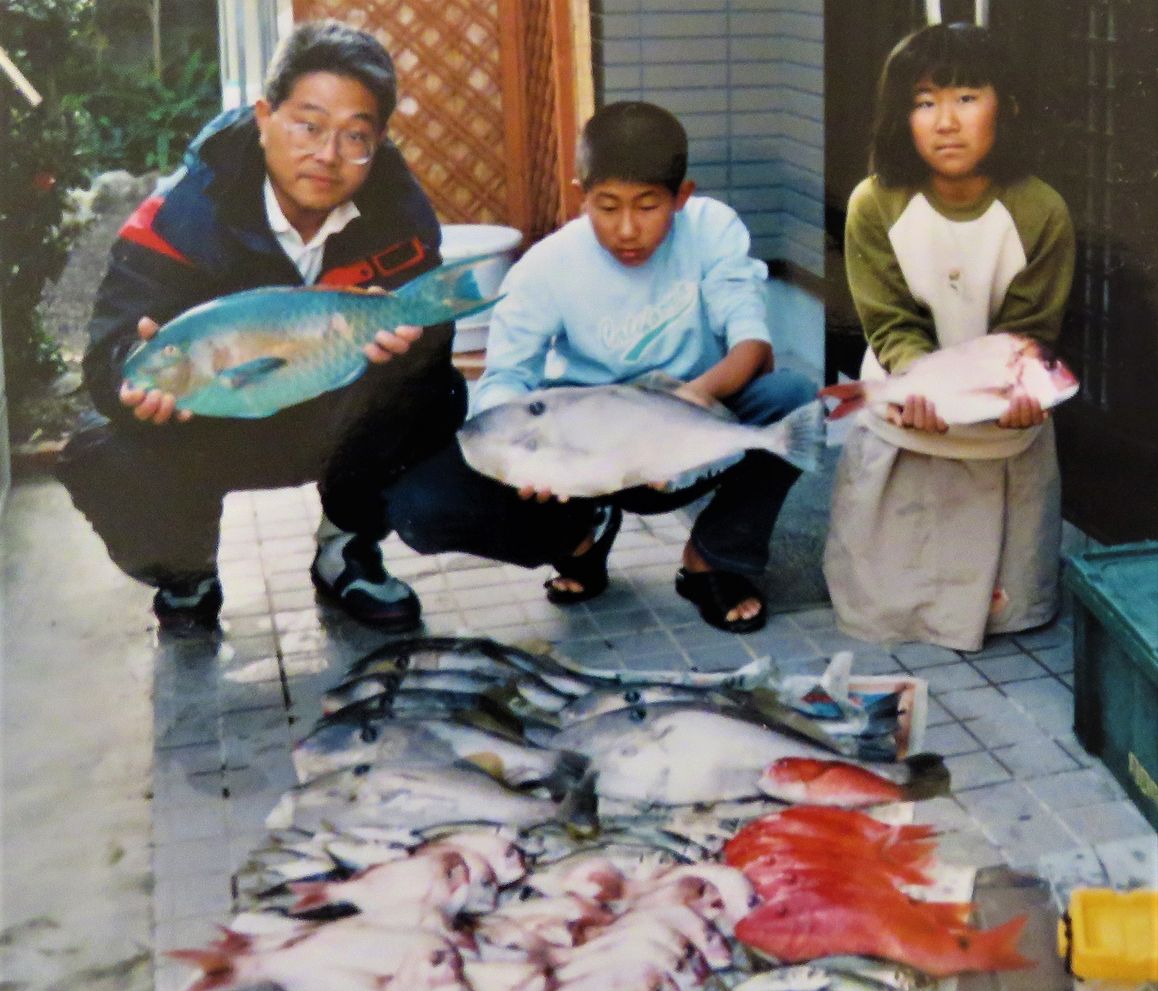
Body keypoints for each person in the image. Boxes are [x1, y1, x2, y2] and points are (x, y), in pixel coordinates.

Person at [56, 19, 466, 632]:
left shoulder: (398, 209)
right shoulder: (182, 215)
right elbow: (107, 351)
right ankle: (186, 571)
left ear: (378, 141)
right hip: (212, 417)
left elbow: (432, 325)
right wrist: (130, 375)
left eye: (356, 136)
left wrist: (408, 340)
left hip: (336, 411)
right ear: (264, 114)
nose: (327, 155)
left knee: (436, 394)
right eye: (308, 125)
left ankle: (346, 548)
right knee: (103, 453)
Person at [388, 101, 816, 633]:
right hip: (580, 457)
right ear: (579, 196)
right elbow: (505, 378)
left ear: (682, 197)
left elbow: (754, 348)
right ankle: (579, 539)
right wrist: (523, 458)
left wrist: (690, 401)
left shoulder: (713, 229)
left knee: (793, 400)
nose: (628, 229)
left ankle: (711, 557)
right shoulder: (546, 266)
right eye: (607, 207)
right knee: (422, 507)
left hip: (685, 439)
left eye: (648, 205)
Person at [823, 22, 1076, 651]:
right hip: (910, 401)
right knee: (886, 606)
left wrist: (1024, 397)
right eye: (923, 101)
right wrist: (916, 380)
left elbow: (1030, 330)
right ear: (899, 117)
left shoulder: (1041, 209)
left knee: (1008, 607)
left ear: (1005, 106)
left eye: (966, 98)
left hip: (999, 413)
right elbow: (888, 321)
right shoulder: (872, 203)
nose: (945, 121)